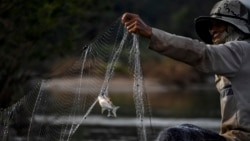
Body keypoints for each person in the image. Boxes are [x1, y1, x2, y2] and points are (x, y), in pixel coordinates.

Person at [122, 0, 250, 141]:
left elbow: (201, 53)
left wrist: (150, 33)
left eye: (218, 25)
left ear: (235, 28)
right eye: (210, 26)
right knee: (186, 129)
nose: (212, 30)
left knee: (174, 136)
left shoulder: (242, 50)